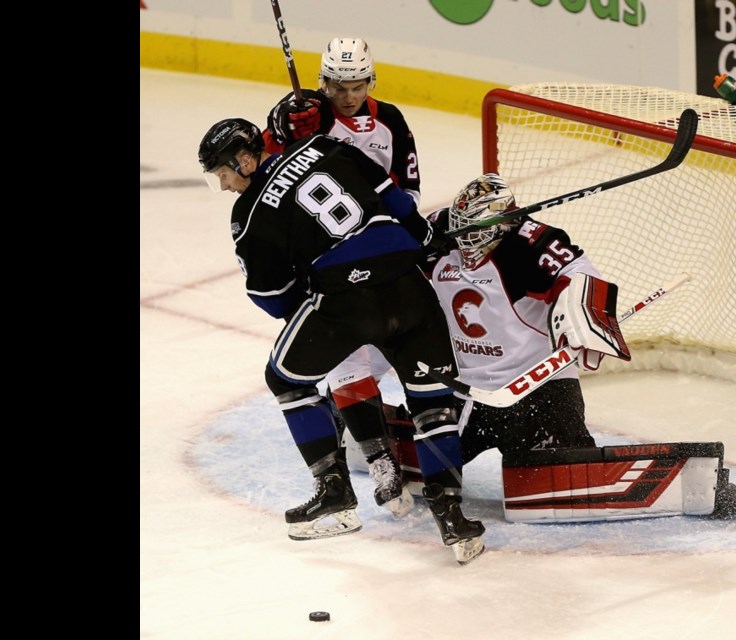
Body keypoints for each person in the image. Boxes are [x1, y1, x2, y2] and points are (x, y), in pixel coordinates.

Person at [197, 117, 485, 564]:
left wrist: (324, 306)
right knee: (433, 402)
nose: (226, 185)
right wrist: (421, 238)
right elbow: (395, 198)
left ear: (246, 158)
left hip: (346, 300)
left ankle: (335, 495)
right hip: (409, 285)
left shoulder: (250, 213)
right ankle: (452, 516)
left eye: (223, 173)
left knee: (286, 380)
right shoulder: (326, 145)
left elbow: (274, 300)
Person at [263, 37, 421, 516]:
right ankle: (380, 463)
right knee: (347, 358)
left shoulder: (389, 120)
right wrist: (280, 132)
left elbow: (409, 190)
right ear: (322, 82)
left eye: (357, 86)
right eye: (338, 86)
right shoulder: (301, 116)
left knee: (403, 345)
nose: (348, 96)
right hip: (325, 265)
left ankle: (414, 436)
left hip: (380, 252)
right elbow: (268, 178)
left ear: (370, 81)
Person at [422, 173, 621, 465]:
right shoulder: (436, 233)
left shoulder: (531, 245)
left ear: (503, 224)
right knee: (430, 471)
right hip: (467, 390)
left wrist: (585, 322)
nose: (463, 238)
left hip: (538, 387)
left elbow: (582, 275)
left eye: (473, 230)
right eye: (459, 227)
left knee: (562, 477)